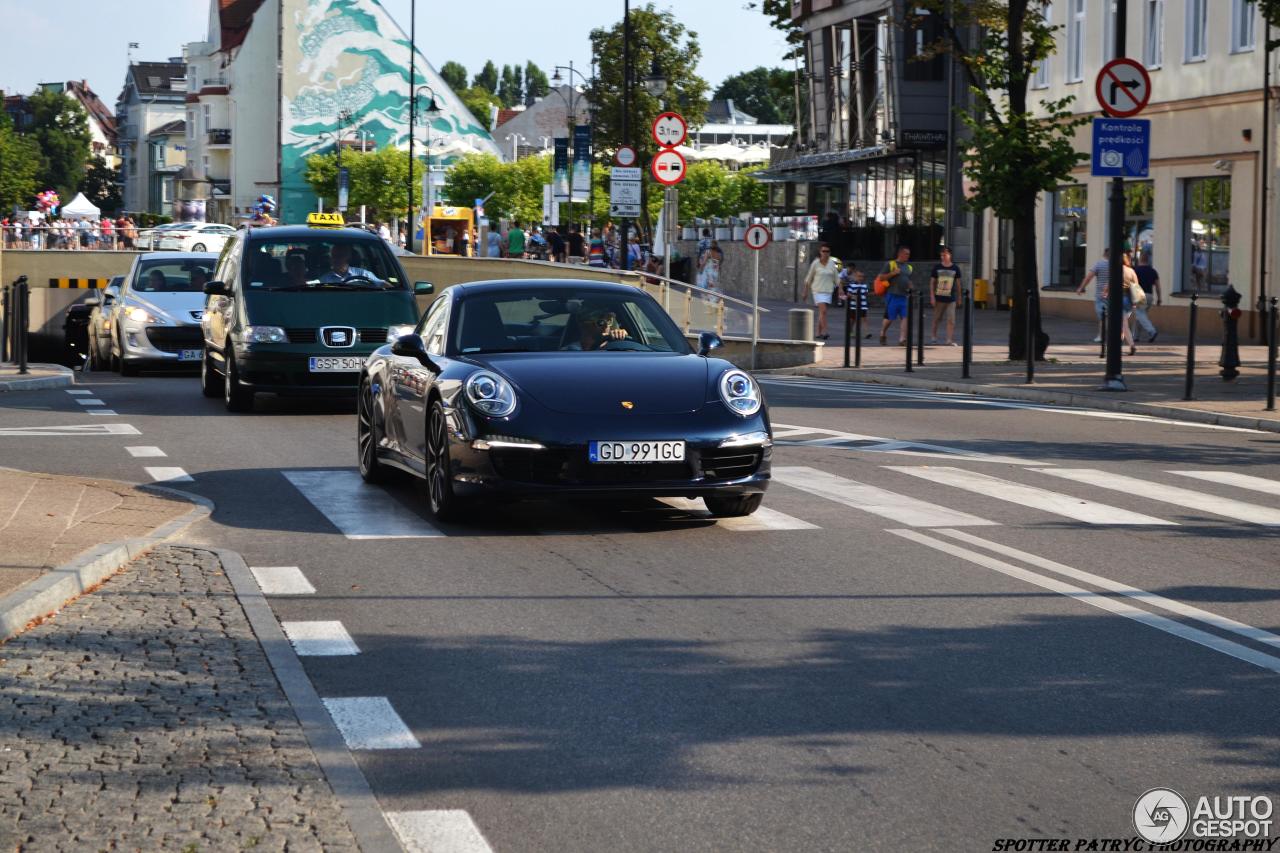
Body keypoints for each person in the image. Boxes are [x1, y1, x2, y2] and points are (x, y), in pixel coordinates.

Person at [875, 245, 914, 346]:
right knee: (890, 318)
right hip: (892, 295)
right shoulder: (890, 264)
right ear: (900, 253)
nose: (908, 256)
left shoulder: (908, 267)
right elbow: (881, 277)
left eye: (909, 254)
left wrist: (910, 284)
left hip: (904, 295)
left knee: (905, 317)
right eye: (906, 254)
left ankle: (902, 339)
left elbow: (907, 279)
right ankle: (883, 332)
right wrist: (893, 273)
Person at [801, 242, 841, 340]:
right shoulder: (815, 263)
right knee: (823, 311)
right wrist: (805, 291)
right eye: (823, 251)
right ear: (820, 252)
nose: (825, 253)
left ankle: (818, 332)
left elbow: (837, 278)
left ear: (830, 252)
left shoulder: (832, 264)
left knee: (822, 313)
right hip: (817, 290)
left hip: (828, 291)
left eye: (827, 251)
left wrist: (841, 289)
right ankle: (825, 331)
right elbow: (809, 278)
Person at [1075, 248, 1110, 342]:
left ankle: (1101, 336)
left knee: (1102, 317)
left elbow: (1088, 278)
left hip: (1101, 295)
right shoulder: (1117, 265)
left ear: (1104, 254)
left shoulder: (1099, 264)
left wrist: (1081, 288)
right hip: (1114, 295)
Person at [929, 246, 962, 346]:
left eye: (945, 255)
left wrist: (959, 297)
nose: (943, 257)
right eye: (941, 255)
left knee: (951, 319)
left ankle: (949, 340)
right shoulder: (937, 268)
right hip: (939, 297)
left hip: (951, 298)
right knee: (936, 319)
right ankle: (934, 337)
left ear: (950, 255)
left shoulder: (955, 268)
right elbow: (932, 282)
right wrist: (932, 296)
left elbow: (958, 284)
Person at [564, 307, 630, 350]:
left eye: (609, 320)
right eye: (601, 322)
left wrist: (624, 340)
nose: (607, 326)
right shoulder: (570, 351)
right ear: (585, 326)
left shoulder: (615, 344)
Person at [1132, 250, 1161, 343]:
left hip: (1139, 295)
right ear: (1148, 260)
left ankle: (1152, 331)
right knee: (1141, 316)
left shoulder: (1135, 270)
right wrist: (1159, 298)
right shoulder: (1153, 271)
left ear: (1140, 259)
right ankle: (1135, 336)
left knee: (1140, 315)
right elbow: (1157, 286)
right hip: (1149, 295)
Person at [839, 266, 873, 339]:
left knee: (864, 318)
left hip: (863, 305)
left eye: (862, 276)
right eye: (859, 276)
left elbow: (866, 294)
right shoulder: (851, 285)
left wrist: (874, 293)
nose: (860, 278)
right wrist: (854, 297)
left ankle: (867, 332)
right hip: (853, 306)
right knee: (852, 320)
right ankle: (850, 330)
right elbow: (848, 294)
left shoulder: (865, 285)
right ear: (854, 277)